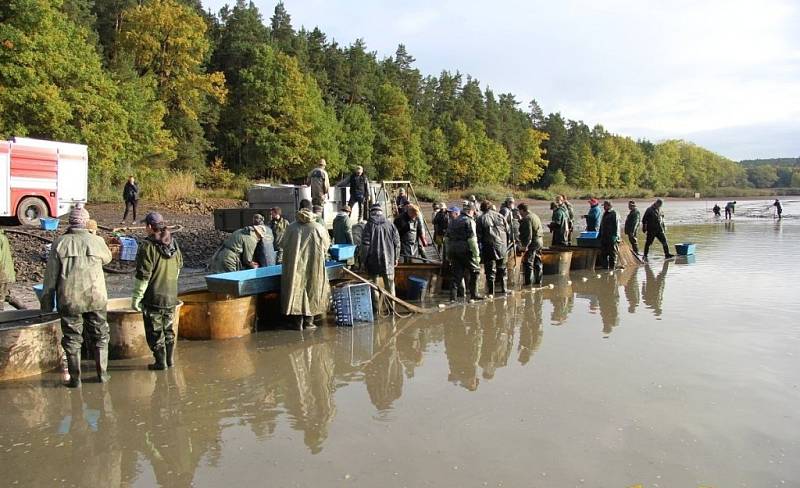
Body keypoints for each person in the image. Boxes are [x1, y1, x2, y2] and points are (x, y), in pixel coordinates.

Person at [40, 205, 113, 387]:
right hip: (96, 298)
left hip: (70, 300)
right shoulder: (97, 241)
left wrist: (46, 305)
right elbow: (108, 258)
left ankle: (75, 380)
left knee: (72, 339)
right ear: (86, 223)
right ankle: (102, 375)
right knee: (101, 336)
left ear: (70, 223)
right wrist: (93, 236)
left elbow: (50, 278)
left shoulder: (60, 243)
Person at [131, 212, 183, 370]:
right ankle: (170, 360)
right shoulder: (173, 243)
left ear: (149, 227)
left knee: (154, 332)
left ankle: (160, 363)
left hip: (153, 297)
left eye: (145, 226)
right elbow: (179, 267)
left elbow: (143, 276)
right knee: (168, 329)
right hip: (170, 295)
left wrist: (136, 298)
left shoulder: (147, 246)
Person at [280, 201, 331, 331]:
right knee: (313, 288)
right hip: (314, 265)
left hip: (295, 266)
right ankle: (309, 322)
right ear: (311, 210)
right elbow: (326, 246)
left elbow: (282, 245)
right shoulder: (318, 227)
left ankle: (297, 322)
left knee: (296, 289)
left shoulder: (291, 227)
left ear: (299, 209)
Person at [360, 204, 400, 310]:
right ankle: (392, 309)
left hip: (372, 262)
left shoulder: (368, 226)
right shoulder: (390, 225)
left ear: (371, 213)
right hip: (389, 260)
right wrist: (396, 257)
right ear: (381, 212)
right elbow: (397, 243)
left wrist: (363, 261)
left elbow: (365, 246)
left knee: (374, 287)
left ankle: (377, 310)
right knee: (390, 286)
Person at [447, 203, 483, 302]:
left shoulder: (453, 221)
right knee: (475, 271)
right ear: (471, 211)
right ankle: (474, 294)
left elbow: (446, 239)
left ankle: (452, 298)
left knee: (456, 276)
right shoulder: (470, 221)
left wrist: (448, 254)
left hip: (453, 250)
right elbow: (472, 240)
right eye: (474, 211)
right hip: (465, 250)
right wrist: (477, 256)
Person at [475, 201, 510, 295]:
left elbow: (478, 236)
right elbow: (508, 231)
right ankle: (504, 290)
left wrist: (478, 250)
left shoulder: (480, 218)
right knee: (502, 269)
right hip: (502, 246)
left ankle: (491, 292)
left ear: (482, 209)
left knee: (490, 271)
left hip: (489, 247)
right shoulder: (500, 216)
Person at [518, 203, 543, 286]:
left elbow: (528, 235)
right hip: (540, 241)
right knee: (538, 261)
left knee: (529, 262)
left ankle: (528, 283)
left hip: (533, 242)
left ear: (522, 210)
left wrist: (525, 246)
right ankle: (538, 281)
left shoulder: (527, 218)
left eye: (519, 211)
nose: (519, 213)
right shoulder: (535, 216)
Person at [598, 201, 620, 269]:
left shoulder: (614, 213)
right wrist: (599, 235)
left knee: (612, 254)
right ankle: (604, 268)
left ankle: (612, 269)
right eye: (604, 206)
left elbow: (617, 226)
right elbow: (601, 225)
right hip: (604, 237)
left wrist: (615, 236)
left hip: (611, 237)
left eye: (605, 206)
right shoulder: (605, 213)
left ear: (609, 205)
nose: (604, 207)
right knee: (603, 254)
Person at [0, 228, 15, 311]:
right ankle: (24, 309)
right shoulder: (3, 237)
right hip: (6, 271)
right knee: (5, 294)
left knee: (1, 299)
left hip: (1, 272)